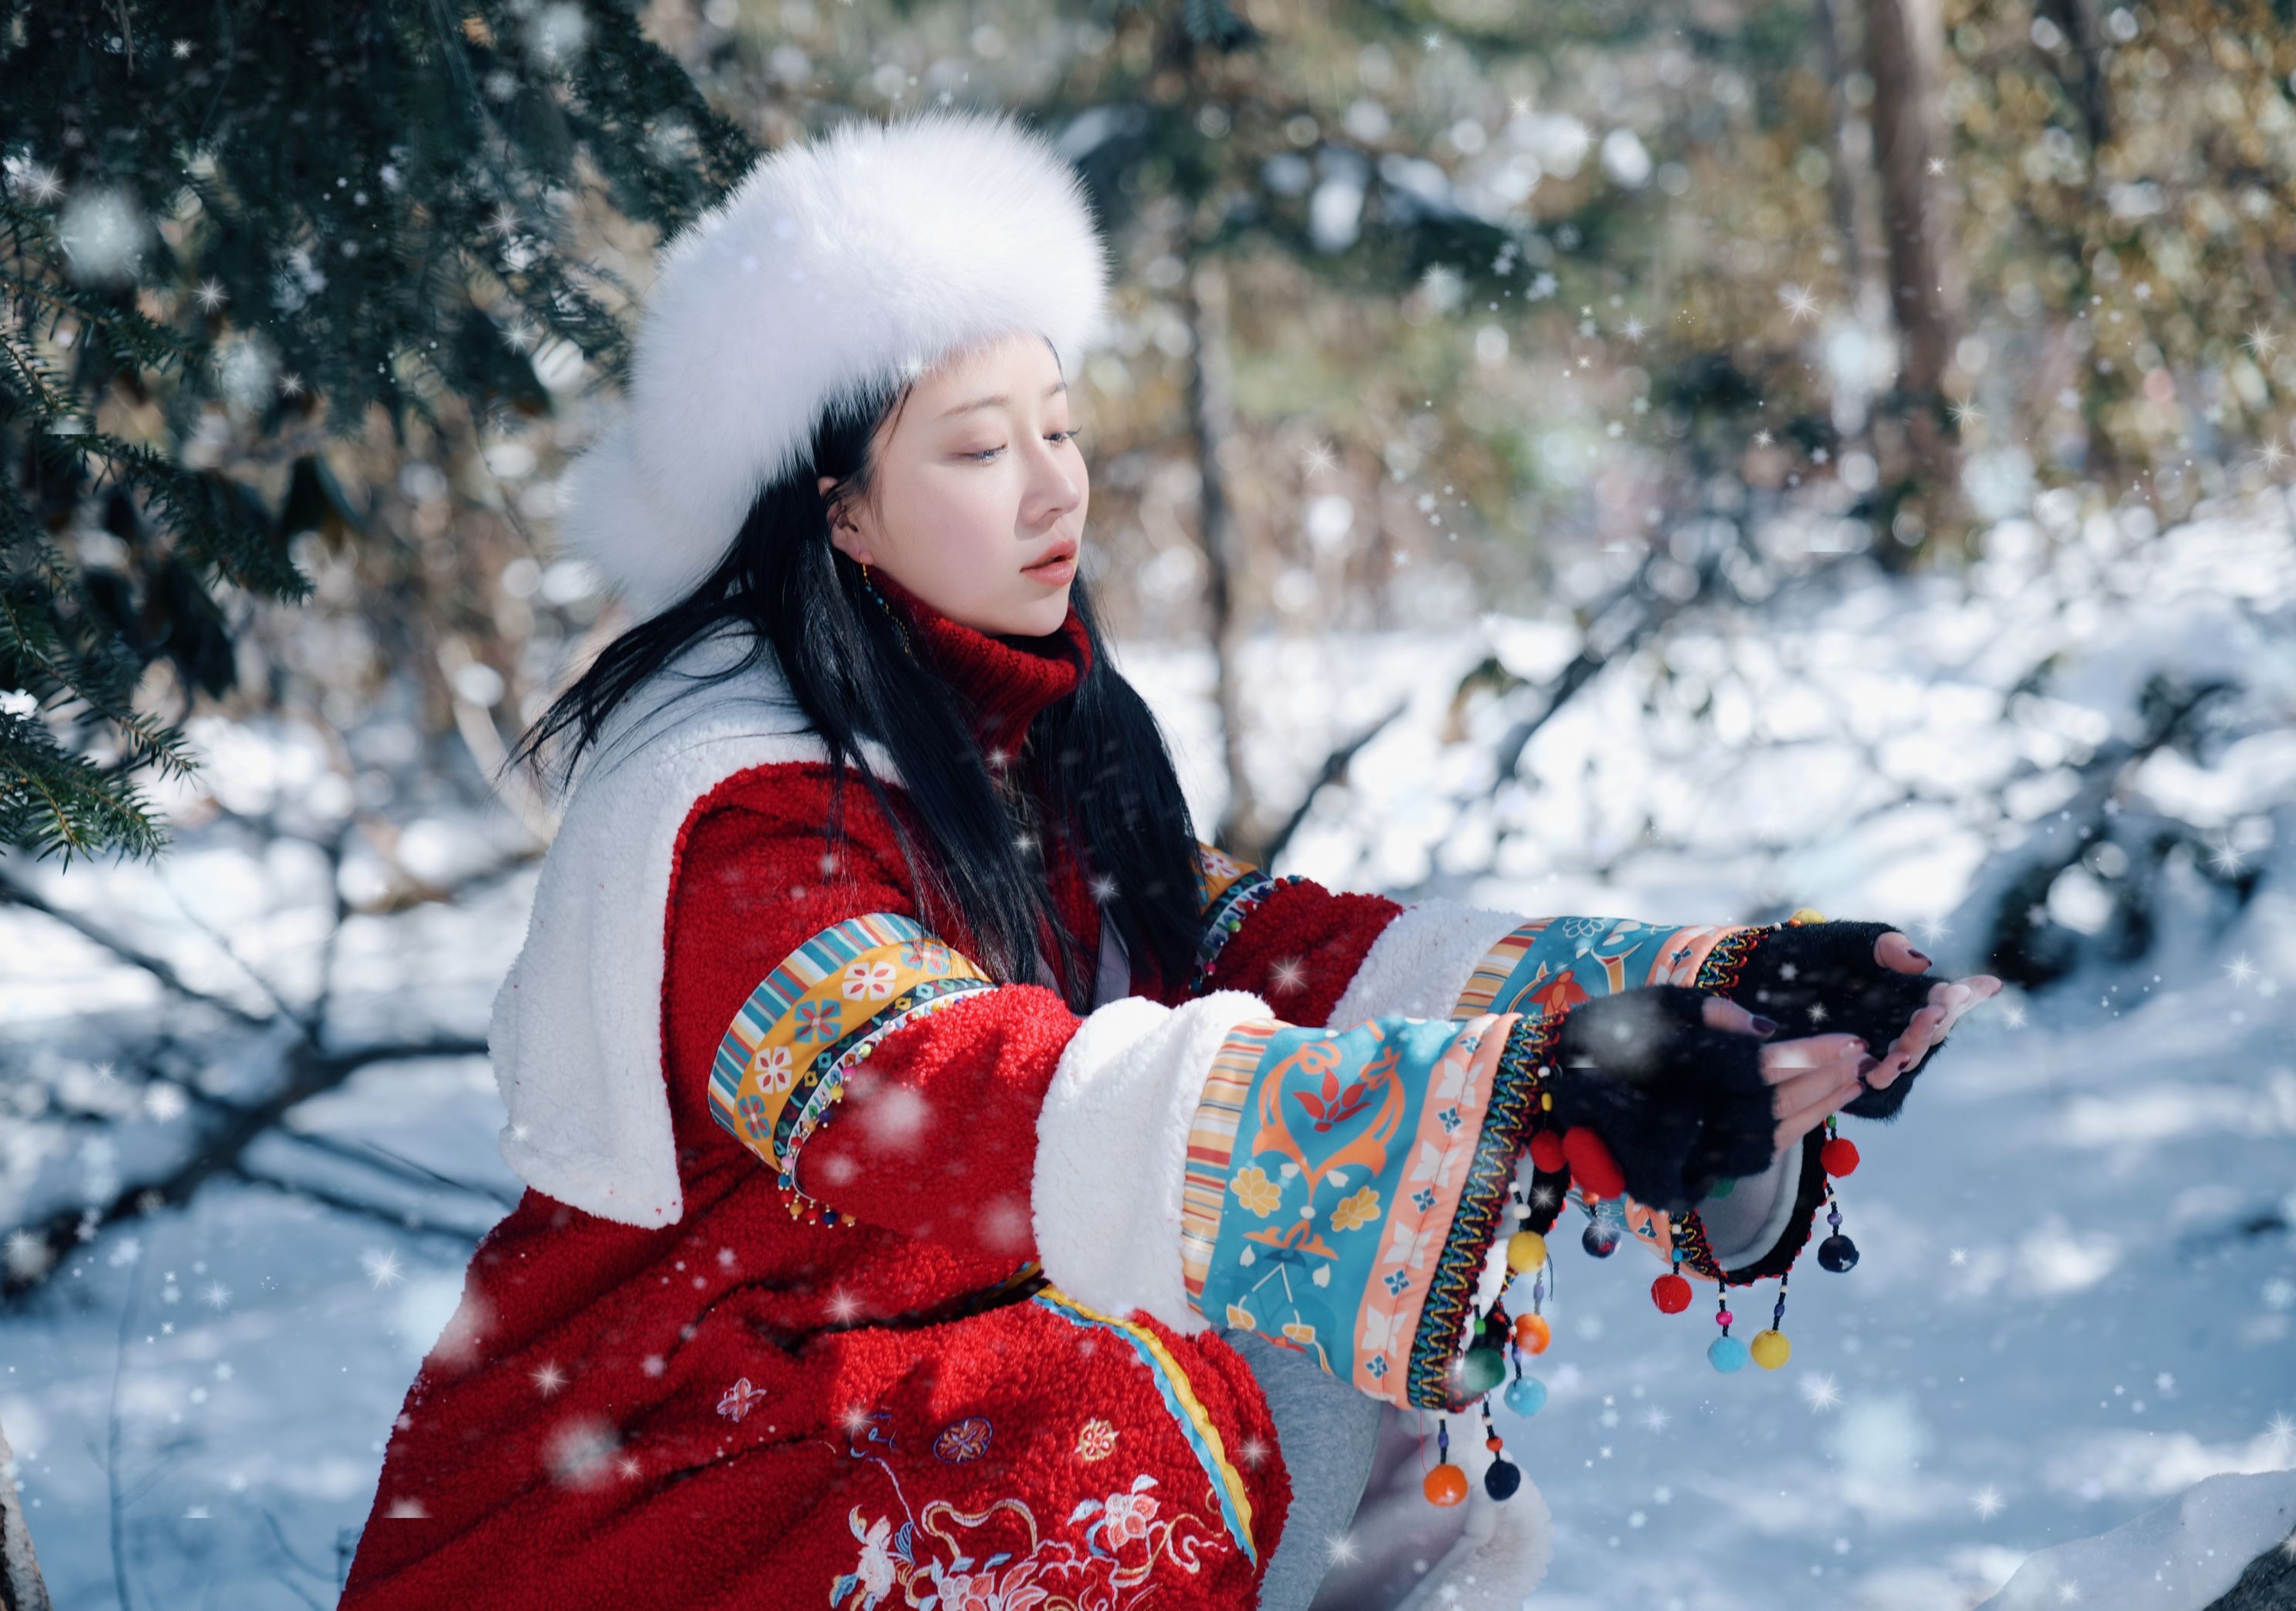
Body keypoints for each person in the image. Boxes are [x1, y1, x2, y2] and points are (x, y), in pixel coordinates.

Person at [337, 108, 1998, 1611]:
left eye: (1060, 429)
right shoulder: (732, 811)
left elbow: (1268, 953)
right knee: (1134, 1409)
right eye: (982, 450)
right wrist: (1511, 1093)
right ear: (838, 511)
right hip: (661, 1482)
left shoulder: (1005, 743)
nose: (1057, 487)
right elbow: (929, 1084)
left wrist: (1683, 1000)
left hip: (866, 1420)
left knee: (1320, 1347)